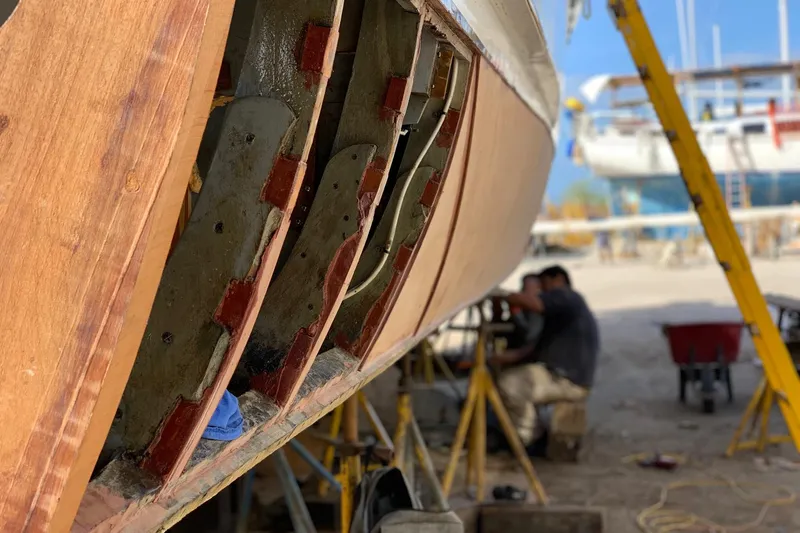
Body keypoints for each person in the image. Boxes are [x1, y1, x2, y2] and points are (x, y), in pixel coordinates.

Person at [492, 265, 599, 447]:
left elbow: (536, 306)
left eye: (544, 284)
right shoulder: (560, 315)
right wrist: (502, 357)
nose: (542, 290)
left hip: (566, 379)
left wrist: (500, 295)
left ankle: (531, 438)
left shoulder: (566, 296)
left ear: (558, 279)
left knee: (510, 384)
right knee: (509, 378)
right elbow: (532, 350)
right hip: (562, 376)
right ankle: (525, 432)